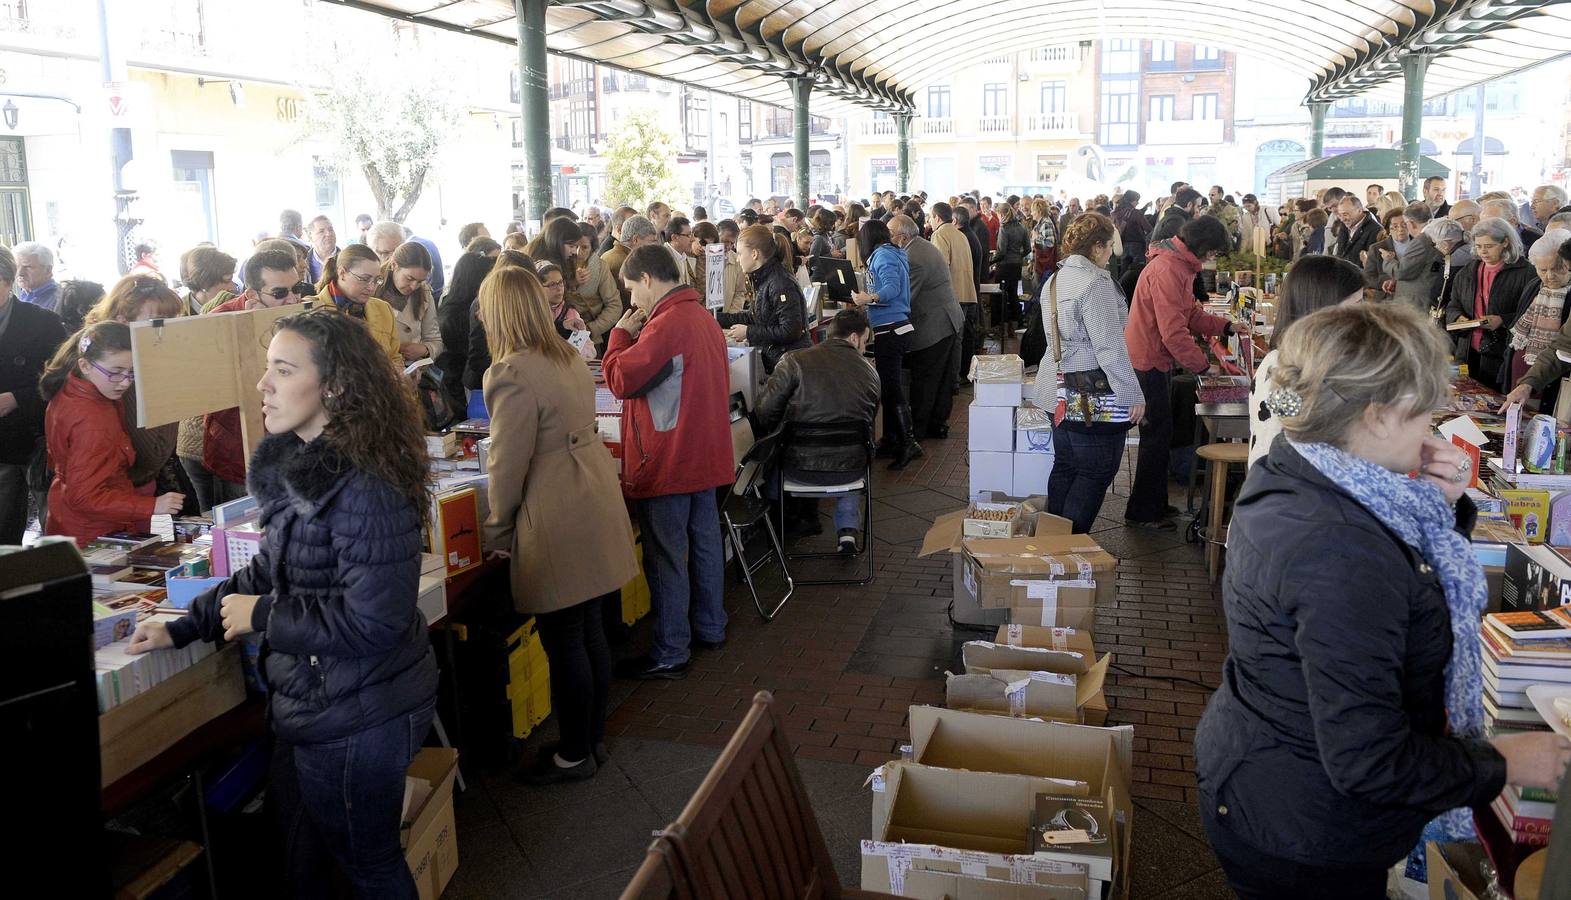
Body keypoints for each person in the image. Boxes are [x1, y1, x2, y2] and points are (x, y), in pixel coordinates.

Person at [1195, 302, 1571, 900]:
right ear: (1375, 416)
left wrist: (1439, 506)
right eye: (1424, 416)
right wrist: (1503, 762)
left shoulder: (1298, 468)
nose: (1431, 432)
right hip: (1307, 827)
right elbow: (1367, 758)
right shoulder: (1339, 548)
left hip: (1268, 780)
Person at [128, 308, 439, 899]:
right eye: (266, 368)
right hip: (325, 703)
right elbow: (274, 569)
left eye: (282, 370)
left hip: (359, 711)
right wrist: (187, 625)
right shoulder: (307, 467)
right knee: (308, 859)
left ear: (336, 387)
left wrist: (263, 617)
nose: (262, 385)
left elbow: (374, 621)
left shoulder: (365, 485)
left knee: (368, 865)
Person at [478, 265, 636, 783]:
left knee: (566, 638)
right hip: (591, 495)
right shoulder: (567, 354)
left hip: (554, 511)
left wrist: (497, 532)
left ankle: (573, 752)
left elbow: (507, 463)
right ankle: (591, 742)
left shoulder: (510, 372)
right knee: (590, 630)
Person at [602, 245, 731, 681]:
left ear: (649, 280)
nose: (632, 300)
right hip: (704, 454)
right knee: (706, 545)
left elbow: (621, 379)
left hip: (670, 458)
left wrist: (619, 335)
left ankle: (671, 649)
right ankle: (711, 627)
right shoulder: (702, 318)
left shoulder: (666, 325)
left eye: (632, 288)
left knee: (668, 557)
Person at [1030, 213, 1143, 533]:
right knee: (1095, 471)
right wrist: (1132, 393)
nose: (1111, 254)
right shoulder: (1095, 283)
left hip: (1057, 387)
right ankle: (1069, 544)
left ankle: (1052, 541)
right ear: (1096, 247)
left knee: (1065, 464)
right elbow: (1108, 345)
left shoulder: (1055, 279)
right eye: (1108, 246)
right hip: (1091, 390)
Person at [1124, 216, 1237, 529]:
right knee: (1155, 436)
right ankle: (1144, 512)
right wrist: (1203, 367)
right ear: (1202, 246)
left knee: (1160, 434)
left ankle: (1154, 504)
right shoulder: (1169, 269)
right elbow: (1173, 331)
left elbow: (1189, 313)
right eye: (1213, 251)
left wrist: (1225, 326)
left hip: (1154, 356)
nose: (1212, 258)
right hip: (1148, 359)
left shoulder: (1179, 265)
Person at [39, 321, 183, 545]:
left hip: (72, 520)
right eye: (116, 372)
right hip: (93, 532)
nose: (125, 382)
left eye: (132, 373)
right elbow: (83, 496)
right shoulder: (91, 419)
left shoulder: (74, 390)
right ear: (85, 365)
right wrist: (152, 506)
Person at [753, 307, 880, 553]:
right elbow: (868, 423)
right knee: (852, 449)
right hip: (850, 473)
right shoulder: (870, 373)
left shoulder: (794, 361)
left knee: (771, 455)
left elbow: (764, 411)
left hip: (796, 469)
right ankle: (847, 533)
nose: (864, 349)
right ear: (854, 338)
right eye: (865, 342)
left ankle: (774, 526)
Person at [194, 249, 312, 509]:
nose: (292, 298)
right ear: (251, 294)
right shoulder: (218, 324)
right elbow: (209, 390)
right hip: (237, 449)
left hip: (288, 446)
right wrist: (255, 331)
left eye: (297, 288)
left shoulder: (300, 315)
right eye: (280, 293)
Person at [1248, 255, 1366, 467]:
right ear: (1324, 307)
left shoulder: (1310, 359)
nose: (1363, 315)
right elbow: (1286, 433)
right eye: (1356, 305)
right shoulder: (1284, 368)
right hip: (1290, 491)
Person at [0, 245, 67, 543]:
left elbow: (64, 382)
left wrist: (18, 397)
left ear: (7, 280)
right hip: (2, 449)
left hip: (38, 441)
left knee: (54, 529)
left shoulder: (44, 322)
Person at [852, 219, 921, 469]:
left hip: (890, 330)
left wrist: (868, 298)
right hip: (896, 328)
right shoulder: (892, 254)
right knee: (889, 389)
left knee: (892, 390)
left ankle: (907, 442)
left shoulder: (882, 256)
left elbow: (891, 288)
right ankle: (894, 440)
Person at [1444, 217, 1539, 391]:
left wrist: (1502, 320)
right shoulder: (1468, 270)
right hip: (1468, 352)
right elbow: (1452, 305)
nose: (1482, 252)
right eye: (1478, 246)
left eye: (1488, 246)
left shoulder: (1527, 272)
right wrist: (1458, 317)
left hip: (1502, 354)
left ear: (1505, 243)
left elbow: (1533, 314)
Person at [890, 215, 963, 440]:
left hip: (934, 325)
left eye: (889, 235)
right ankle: (937, 424)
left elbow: (905, 299)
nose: (887, 240)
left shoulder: (914, 257)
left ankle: (918, 432)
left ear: (902, 237)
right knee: (940, 379)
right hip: (945, 320)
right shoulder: (922, 247)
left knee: (926, 380)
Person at [717, 225, 810, 374]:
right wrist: (716, 318)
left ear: (754, 254)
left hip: (790, 366)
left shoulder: (780, 283)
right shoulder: (763, 279)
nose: (738, 258)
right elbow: (755, 315)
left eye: (740, 253)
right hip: (779, 362)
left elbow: (790, 330)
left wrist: (749, 332)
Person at [1498, 230, 1571, 397]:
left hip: (1556, 381)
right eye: (1543, 270)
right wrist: (1527, 383)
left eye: (1558, 269)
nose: (1550, 276)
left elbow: (1563, 346)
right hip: (1530, 375)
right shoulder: (1534, 286)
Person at [315, 244, 401, 364]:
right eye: (365, 279)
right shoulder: (313, 311)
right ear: (342, 273)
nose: (371, 287)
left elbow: (395, 356)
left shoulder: (383, 308)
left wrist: (401, 376)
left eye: (377, 280)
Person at [435, 251, 492, 420]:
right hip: (461, 390)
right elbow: (471, 356)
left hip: (458, 385)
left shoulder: (449, 307)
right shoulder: (465, 314)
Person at [931, 202, 979, 390]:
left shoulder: (940, 234)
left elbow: (940, 267)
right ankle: (954, 380)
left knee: (947, 340)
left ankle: (949, 382)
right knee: (958, 340)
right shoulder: (961, 235)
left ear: (936, 217)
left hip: (951, 295)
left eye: (930, 217)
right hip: (966, 292)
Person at [374, 241, 443, 365]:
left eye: (420, 281)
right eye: (409, 278)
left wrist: (425, 350)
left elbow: (435, 340)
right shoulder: (371, 289)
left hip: (413, 370)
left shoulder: (424, 293)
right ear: (394, 265)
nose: (413, 286)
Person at [535, 262, 598, 361]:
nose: (559, 289)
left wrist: (570, 352)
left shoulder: (570, 313)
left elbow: (590, 350)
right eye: (552, 285)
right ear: (538, 287)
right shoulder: (533, 314)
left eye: (560, 283)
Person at [603, 215, 659, 301]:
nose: (654, 247)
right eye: (651, 242)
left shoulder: (617, 255)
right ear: (636, 239)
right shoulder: (624, 261)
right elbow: (634, 301)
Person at [992, 203, 1031, 326]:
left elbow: (1001, 252)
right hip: (1016, 265)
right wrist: (1018, 256)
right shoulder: (1021, 227)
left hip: (1004, 266)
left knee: (1001, 294)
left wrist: (990, 261)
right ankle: (1017, 320)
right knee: (1013, 293)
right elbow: (1028, 249)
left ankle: (1001, 322)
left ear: (1002, 214)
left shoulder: (1004, 229)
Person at [1363, 208, 1409, 302]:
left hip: (1412, 297)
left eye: (1404, 225)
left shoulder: (1418, 245)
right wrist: (1389, 281)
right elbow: (1368, 278)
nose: (1400, 229)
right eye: (1395, 226)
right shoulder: (1376, 249)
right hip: (1386, 299)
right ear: (1388, 230)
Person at [179, 245, 238, 316]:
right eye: (227, 280)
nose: (233, 287)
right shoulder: (177, 312)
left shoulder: (235, 305)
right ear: (204, 284)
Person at [1331, 196, 1382, 267]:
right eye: (1340, 215)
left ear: (1359, 211)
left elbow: (1372, 264)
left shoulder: (1376, 230)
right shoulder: (1344, 225)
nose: (1342, 219)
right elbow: (1340, 252)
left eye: (1345, 214)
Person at [13, 241, 59, 312]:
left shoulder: (58, 300)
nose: (20, 273)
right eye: (16, 266)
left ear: (48, 270)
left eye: (28, 267)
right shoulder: (25, 294)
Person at [305, 216, 337, 283]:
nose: (328, 234)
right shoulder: (304, 262)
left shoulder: (347, 259)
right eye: (321, 231)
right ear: (310, 236)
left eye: (331, 230)